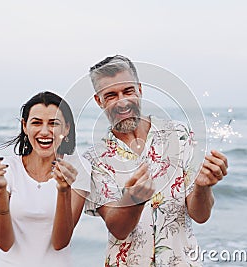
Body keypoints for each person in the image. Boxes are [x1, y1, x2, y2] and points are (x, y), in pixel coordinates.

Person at [83, 55, 228, 266]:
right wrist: (134, 200)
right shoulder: (95, 159)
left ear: (140, 90)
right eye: (111, 95)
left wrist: (202, 186)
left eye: (128, 91)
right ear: (99, 101)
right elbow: (118, 229)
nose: (122, 101)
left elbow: (201, 215)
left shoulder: (178, 135)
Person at [0, 91, 90, 267]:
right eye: (36, 123)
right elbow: (3, 243)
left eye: (53, 123)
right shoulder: (7, 168)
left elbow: (60, 242)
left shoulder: (77, 169)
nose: (44, 131)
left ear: (66, 128)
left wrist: (63, 190)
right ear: (25, 126)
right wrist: (0, 190)